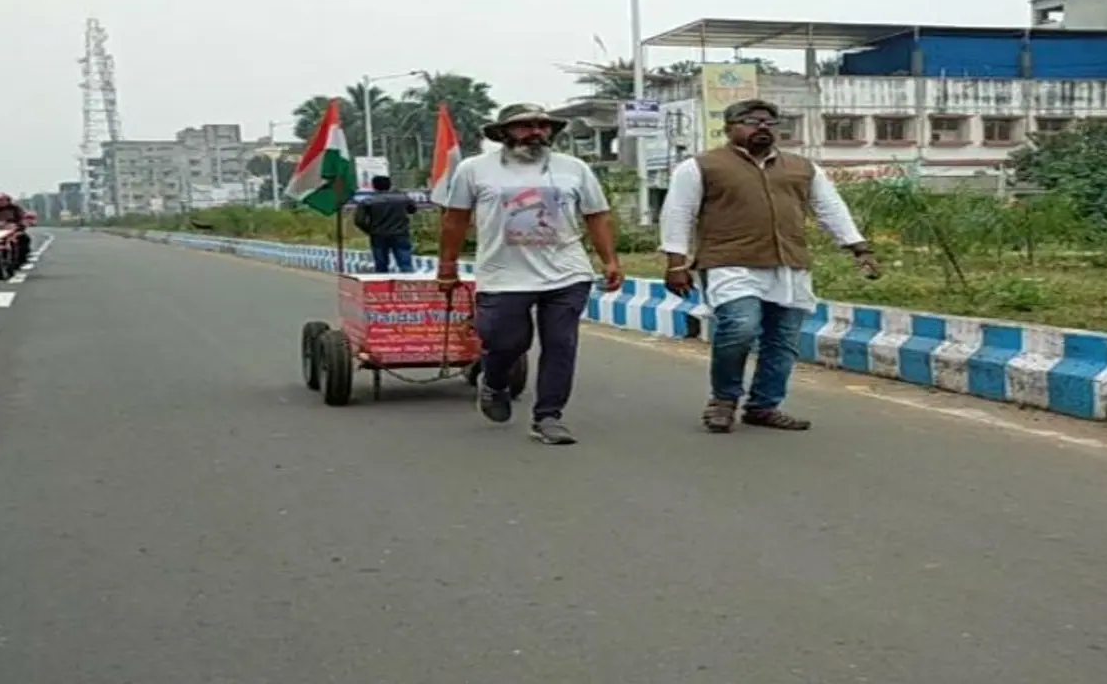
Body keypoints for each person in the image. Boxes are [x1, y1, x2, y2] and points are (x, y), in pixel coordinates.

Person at [659, 99, 880, 434]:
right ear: (729, 127)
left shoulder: (803, 167)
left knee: (783, 340)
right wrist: (676, 263)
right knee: (740, 328)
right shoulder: (700, 166)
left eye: (770, 122)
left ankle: (764, 405)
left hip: (789, 265)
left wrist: (858, 248)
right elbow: (678, 213)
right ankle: (723, 399)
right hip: (730, 264)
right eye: (750, 120)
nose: (761, 127)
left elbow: (830, 208)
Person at [435, 103, 623, 445]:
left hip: (567, 273)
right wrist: (446, 268)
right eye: (525, 126)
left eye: (542, 126)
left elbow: (597, 215)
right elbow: (455, 218)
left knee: (560, 344)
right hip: (503, 275)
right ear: (504, 133)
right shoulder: (474, 170)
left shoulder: (574, 169)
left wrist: (610, 260)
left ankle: (548, 416)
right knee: (507, 341)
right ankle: (494, 381)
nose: (536, 132)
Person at [354, 175, 418, 273]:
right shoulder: (403, 198)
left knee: (381, 265)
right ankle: (408, 285)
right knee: (405, 264)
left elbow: (359, 220)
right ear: (389, 185)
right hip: (400, 234)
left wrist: (370, 230)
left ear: (374, 186)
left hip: (378, 235)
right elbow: (413, 210)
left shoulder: (368, 201)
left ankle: (381, 286)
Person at [0, 193, 30, 262]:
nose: (0, 202)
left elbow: (23, 217)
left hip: (11, 230)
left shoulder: (15, 208)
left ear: (8, 201)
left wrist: (23, 223)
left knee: (24, 238)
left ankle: (22, 256)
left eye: (2, 200)